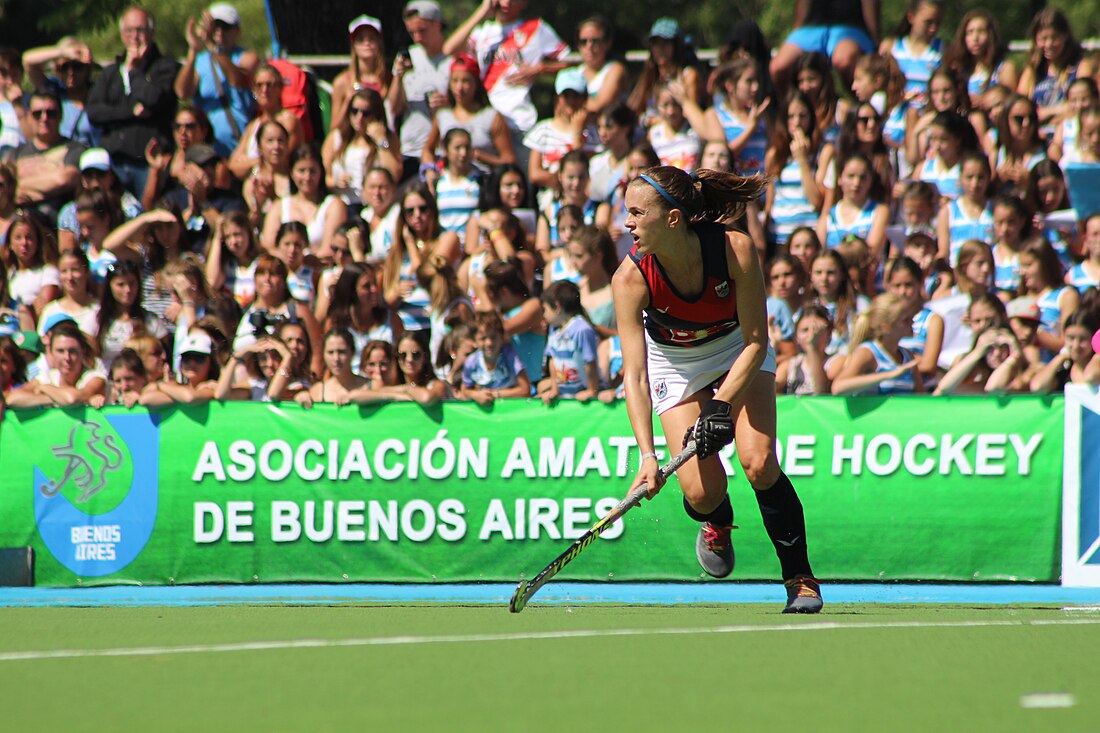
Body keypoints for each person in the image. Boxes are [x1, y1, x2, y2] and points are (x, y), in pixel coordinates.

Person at [612, 165, 821, 613]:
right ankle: (717, 521)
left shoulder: (734, 249)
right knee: (702, 494)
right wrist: (647, 457)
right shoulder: (629, 279)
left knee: (759, 462)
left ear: (672, 219)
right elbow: (635, 376)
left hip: (736, 348)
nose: (626, 223)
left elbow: (756, 341)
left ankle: (799, 578)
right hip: (676, 360)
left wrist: (721, 405)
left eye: (635, 212)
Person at [445, 0, 570, 162]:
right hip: (485, 121)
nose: (507, 2)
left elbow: (570, 61)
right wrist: (482, 12)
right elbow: (450, 50)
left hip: (519, 123)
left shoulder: (536, 28)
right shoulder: (481, 32)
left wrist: (540, 69)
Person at [86, 6, 180, 197]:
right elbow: (95, 113)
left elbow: (151, 99)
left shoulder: (166, 68)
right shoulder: (110, 73)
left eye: (140, 30)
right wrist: (131, 111)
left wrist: (136, 71)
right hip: (115, 162)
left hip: (148, 163)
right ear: (122, 34)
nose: (135, 36)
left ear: (151, 34)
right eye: (129, 30)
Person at [174, 3, 259, 157]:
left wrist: (214, 48)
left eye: (225, 27)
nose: (219, 32)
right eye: (214, 27)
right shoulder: (200, 61)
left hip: (241, 147)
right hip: (208, 149)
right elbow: (182, 92)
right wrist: (193, 51)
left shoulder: (247, 57)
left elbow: (236, 80)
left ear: (237, 31)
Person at [4, 91, 85, 219]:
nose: (44, 118)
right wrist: (48, 179)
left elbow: (63, 179)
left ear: (61, 115)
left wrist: (18, 185)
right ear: (29, 117)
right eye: (37, 114)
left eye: (51, 113)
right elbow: (3, 188)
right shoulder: (16, 153)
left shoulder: (75, 149)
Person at [396, 1, 452, 182]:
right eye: (412, 33)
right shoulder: (406, 57)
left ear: (437, 24)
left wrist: (450, 102)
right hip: (410, 150)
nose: (417, 38)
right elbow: (393, 109)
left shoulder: (453, 59)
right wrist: (398, 77)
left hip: (445, 151)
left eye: (422, 31)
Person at [226, 63, 303, 181]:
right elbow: (233, 166)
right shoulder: (253, 126)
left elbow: (281, 161)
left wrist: (248, 161)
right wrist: (258, 161)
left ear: (280, 88)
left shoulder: (289, 121)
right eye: (259, 85)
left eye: (269, 84)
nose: (264, 90)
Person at [22, 36, 101, 147]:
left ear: (87, 69)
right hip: (63, 158)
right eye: (64, 67)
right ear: (57, 70)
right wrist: (63, 52)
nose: (71, 72)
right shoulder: (53, 92)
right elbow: (28, 61)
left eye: (77, 67)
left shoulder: (99, 92)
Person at [6, 320, 106, 407]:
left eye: (73, 351)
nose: (67, 357)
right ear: (51, 352)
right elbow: (11, 398)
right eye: (60, 351)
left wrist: (44, 388)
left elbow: (72, 399)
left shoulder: (94, 378)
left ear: (83, 351)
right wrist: (52, 398)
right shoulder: (48, 376)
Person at [460, 310, 531, 405]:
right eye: (483, 338)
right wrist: (475, 395)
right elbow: (464, 390)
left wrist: (495, 395)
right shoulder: (471, 362)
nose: (489, 343)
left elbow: (525, 390)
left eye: (493, 337)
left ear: (501, 337)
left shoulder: (510, 357)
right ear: (474, 341)